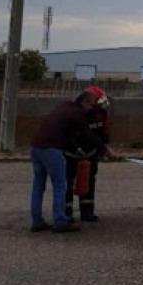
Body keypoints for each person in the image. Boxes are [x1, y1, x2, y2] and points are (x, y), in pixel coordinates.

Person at [29, 90, 110, 233]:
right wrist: (104, 150)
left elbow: (66, 134)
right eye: (91, 105)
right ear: (84, 102)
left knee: (38, 186)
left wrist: (77, 148)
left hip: (36, 148)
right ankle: (60, 221)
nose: (91, 109)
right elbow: (87, 135)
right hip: (52, 150)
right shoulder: (77, 114)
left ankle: (37, 221)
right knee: (61, 185)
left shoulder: (64, 108)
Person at [65, 86, 110, 222]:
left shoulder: (102, 114)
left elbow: (103, 134)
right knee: (68, 182)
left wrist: (103, 149)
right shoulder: (77, 113)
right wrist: (77, 149)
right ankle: (66, 213)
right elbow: (69, 135)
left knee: (89, 182)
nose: (102, 105)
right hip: (72, 153)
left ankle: (87, 212)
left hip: (91, 153)